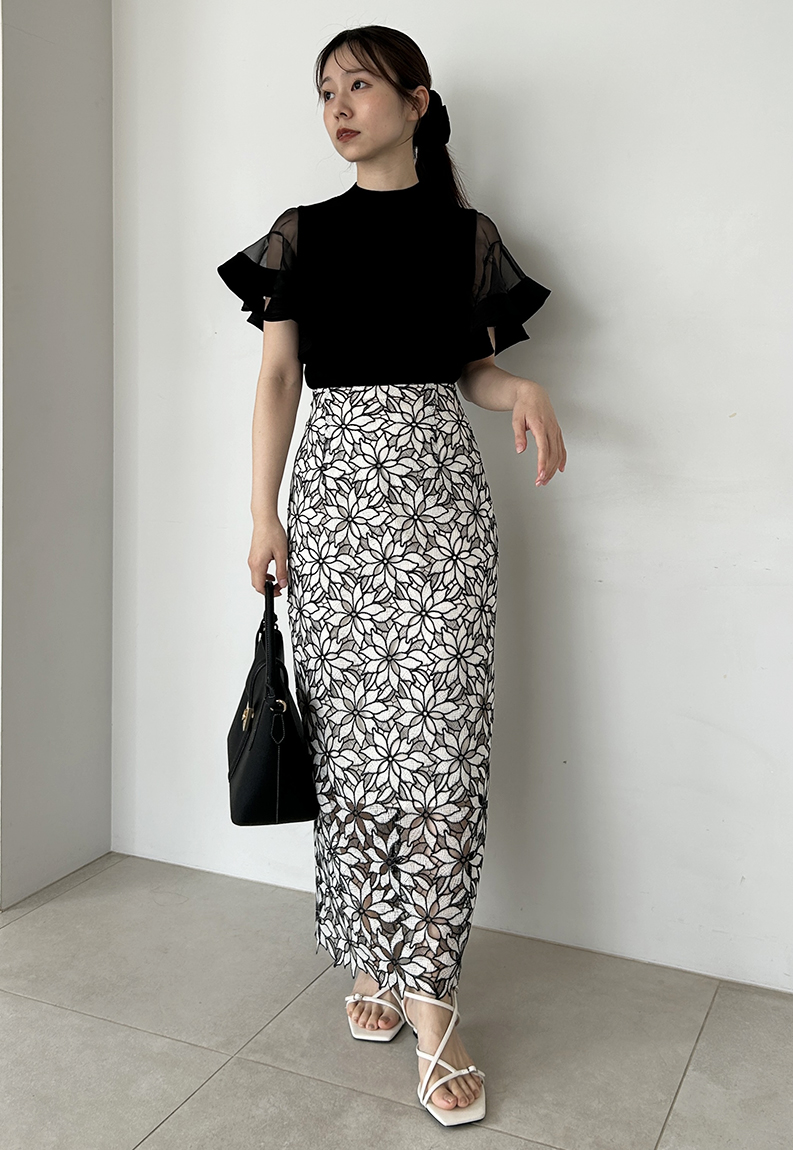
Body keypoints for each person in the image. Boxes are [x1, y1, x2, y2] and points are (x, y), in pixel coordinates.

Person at [217, 24, 566, 1127]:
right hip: (335, 516)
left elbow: (470, 372)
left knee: (442, 758)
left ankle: (432, 1001)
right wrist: (262, 512)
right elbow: (279, 378)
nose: (337, 105)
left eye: (359, 84)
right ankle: (376, 952)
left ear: (416, 102)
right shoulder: (302, 235)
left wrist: (521, 390)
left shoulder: (466, 236)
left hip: (443, 518)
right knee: (357, 753)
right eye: (325, 89)